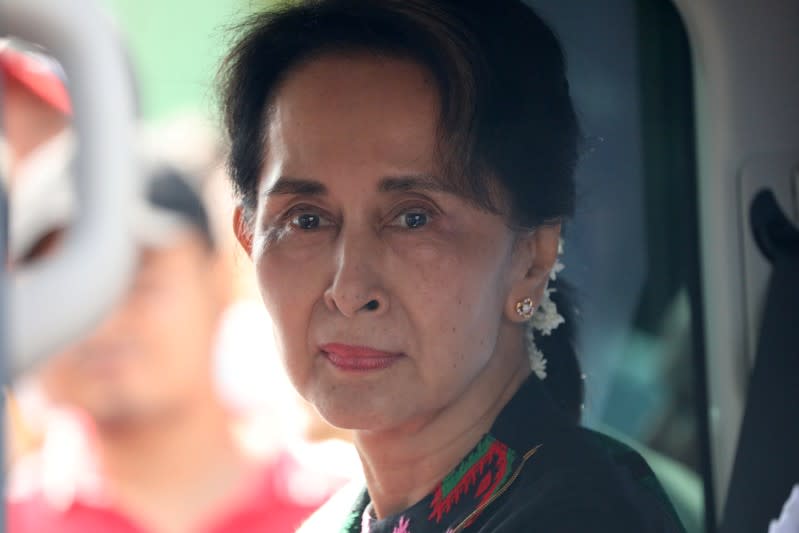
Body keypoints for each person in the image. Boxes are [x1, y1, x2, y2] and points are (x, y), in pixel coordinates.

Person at [217, 0, 687, 531]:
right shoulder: (342, 519)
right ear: (248, 237)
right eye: (306, 220)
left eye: (413, 218)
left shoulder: (579, 516)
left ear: (531, 257)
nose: (349, 289)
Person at [7, 168, 349, 533]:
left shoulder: (349, 508)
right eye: (64, 293)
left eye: (134, 281)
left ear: (218, 280)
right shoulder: (14, 518)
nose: (102, 325)